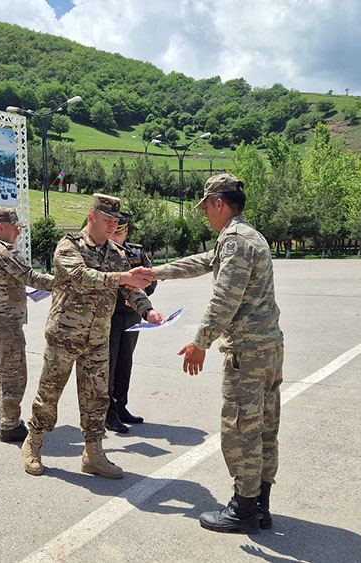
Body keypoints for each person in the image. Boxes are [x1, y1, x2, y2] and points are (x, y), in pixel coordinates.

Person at [144, 173, 283, 534]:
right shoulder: (247, 236)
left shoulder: (235, 241)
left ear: (219, 203)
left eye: (205, 206)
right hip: (268, 348)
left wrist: (201, 342)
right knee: (264, 427)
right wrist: (153, 272)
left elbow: (225, 299)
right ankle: (260, 505)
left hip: (247, 353)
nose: (204, 213)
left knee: (240, 429)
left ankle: (244, 509)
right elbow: (202, 261)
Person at [22, 194, 162, 479]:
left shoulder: (116, 254)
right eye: (107, 220)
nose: (112, 226)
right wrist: (122, 277)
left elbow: (129, 289)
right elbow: (80, 276)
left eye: (115, 221)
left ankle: (93, 454)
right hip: (65, 335)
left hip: (98, 338)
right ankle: (33, 443)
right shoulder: (69, 245)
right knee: (50, 392)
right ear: (91, 217)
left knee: (97, 397)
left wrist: (148, 311)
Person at [0, 208, 54, 442]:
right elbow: (30, 277)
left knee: (4, 369)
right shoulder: (1, 251)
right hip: (6, 321)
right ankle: (10, 425)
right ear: (1, 227)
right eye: (15, 228)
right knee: (15, 373)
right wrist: (65, 281)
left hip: (0, 319)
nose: (18, 233)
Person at [105, 215, 156, 434]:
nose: (115, 235)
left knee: (125, 361)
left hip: (132, 314)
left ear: (126, 231)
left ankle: (121, 406)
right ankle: (108, 413)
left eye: (119, 232)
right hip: (111, 315)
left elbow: (151, 278)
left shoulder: (136, 252)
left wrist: (140, 293)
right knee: (109, 363)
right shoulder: (103, 253)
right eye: (113, 231)